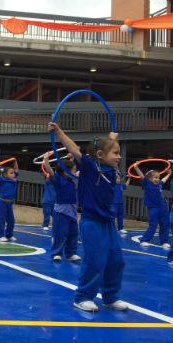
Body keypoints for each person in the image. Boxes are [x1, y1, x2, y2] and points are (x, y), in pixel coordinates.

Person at [49, 121, 128, 312]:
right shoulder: (90, 166)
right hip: (92, 221)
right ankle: (83, 296)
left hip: (108, 222)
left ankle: (110, 296)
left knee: (116, 259)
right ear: (100, 155)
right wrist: (59, 132)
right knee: (95, 259)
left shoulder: (110, 168)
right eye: (116, 153)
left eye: (119, 153)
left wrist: (112, 139)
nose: (119, 156)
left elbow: (104, 148)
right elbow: (74, 149)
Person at [43, 152, 80, 263]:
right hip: (61, 211)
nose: (75, 172)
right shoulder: (58, 180)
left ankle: (71, 253)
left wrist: (72, 159)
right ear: (65, 171)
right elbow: (50, 171)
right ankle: (56, 253)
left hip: (72, 210)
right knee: (60, 233)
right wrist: (46, 161)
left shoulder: (70, 180)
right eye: (73, 170)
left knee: (73, 233)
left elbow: (68, 168)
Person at [133, 166, 171, 249]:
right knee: (153, 225)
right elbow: (141, 175)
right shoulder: (147, 183)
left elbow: (164, 180)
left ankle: (164, 242)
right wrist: (136, 167)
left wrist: (169, 174)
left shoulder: (159, 184)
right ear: (149, 179)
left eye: (158, 177)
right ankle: (144, 240)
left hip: (163, 207)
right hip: (153, 208)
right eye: (155, 177)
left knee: (165, 224)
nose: (158, 179)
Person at [0, 160, 19, 242]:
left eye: (13, 173)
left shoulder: (14, 180)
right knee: (1, 220)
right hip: (1, 202)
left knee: (11, 220)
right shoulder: (2, 180)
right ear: (5, 175)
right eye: (11, 173)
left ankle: (9, 235)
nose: (13, 174)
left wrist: (15, 161)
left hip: (9, 203)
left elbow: (16, 170)